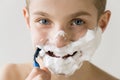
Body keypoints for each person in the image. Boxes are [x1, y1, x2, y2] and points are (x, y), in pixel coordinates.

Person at [0, 0, 119, 80]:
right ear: (28, 20)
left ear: (102, 23)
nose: (59, 43)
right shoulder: (9, 75)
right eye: (44, 21)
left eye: (78, 22)